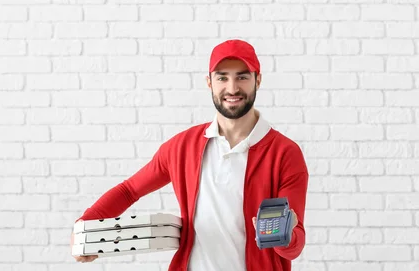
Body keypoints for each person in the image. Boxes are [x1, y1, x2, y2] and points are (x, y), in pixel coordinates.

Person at [70, 39, 309, 271]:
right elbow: (129, 190)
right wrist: (83, 228)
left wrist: (284, 237)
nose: (232, 88)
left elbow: (294, 246)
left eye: (242, 77)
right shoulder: (182, 147)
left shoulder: (285, 154)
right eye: (222, 77)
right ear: (209, 82)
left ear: (258, 80)